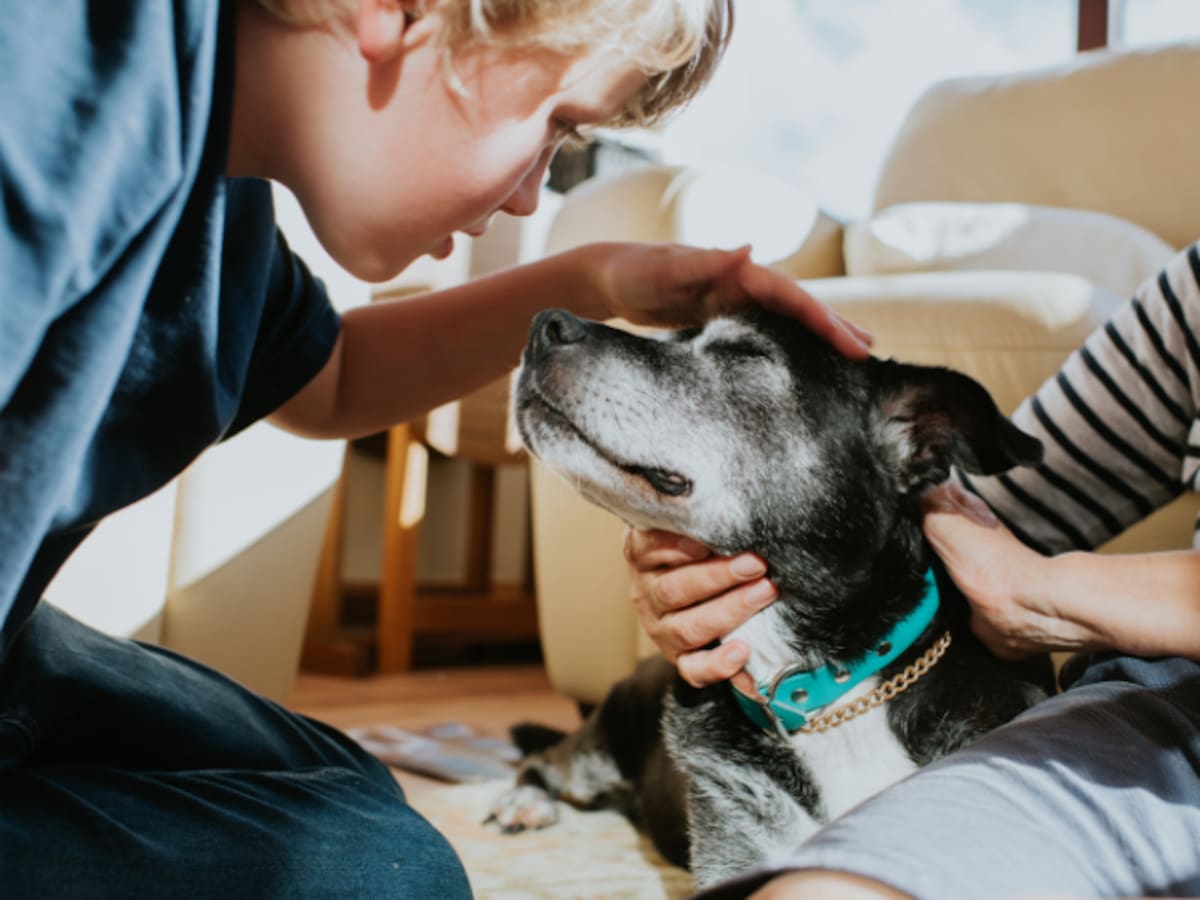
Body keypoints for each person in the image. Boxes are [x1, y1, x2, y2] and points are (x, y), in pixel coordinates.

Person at [0, 1, 877, 897]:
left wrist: (598, 277)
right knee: (382, 873)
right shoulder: (48, 96)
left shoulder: (222, 204)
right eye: (555, 127)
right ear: (397, 11)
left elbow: (331, 378)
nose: (536, 192)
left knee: (336, 787)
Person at [626, 242, 1200, 898]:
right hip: (1165, 726)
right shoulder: (1193, 295)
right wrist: (702, 568)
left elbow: (1012, 577)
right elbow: (979, 515)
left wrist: (1042, 592)